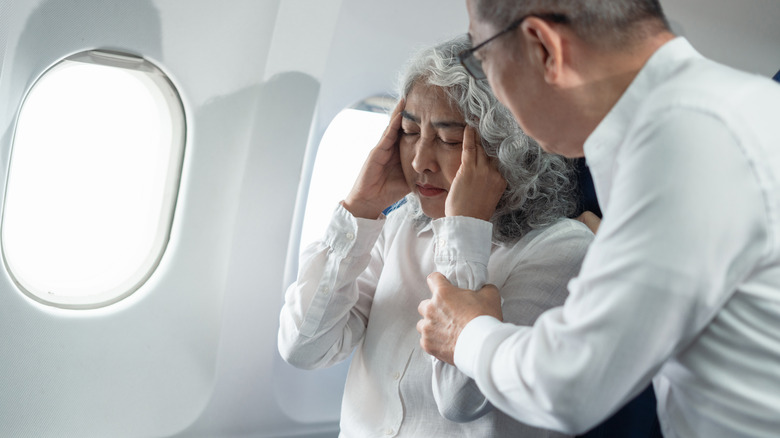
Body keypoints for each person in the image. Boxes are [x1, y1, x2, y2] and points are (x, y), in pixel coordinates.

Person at [416, 1, 780, 437]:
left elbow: (570, 384)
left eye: (483, 60)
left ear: (543, 47)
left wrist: (464, 333)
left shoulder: (680, 142)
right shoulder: (739, 104)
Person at [278, 35, 593, 437]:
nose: (419, 161)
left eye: (448, 140)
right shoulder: (400, 226)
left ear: (508, 147)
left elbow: (460, 400)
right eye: (409, 132)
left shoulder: (562, 250)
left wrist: (464, 234)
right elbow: (304, 347)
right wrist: (360, 208)